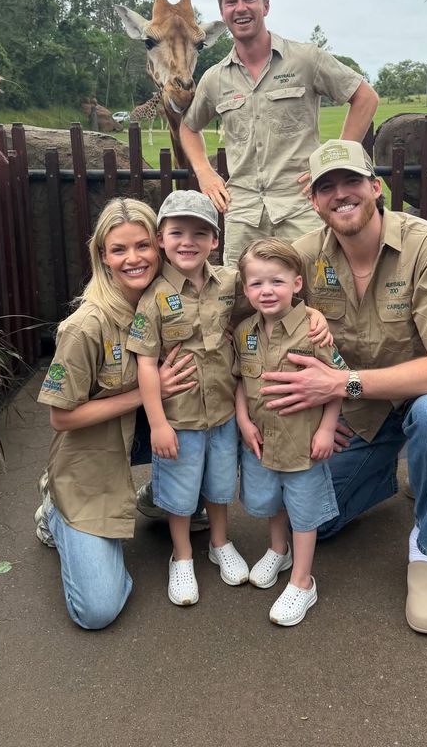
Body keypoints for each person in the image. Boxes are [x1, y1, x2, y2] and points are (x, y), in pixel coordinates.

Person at [259, 139, 427, 635]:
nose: (341, 195)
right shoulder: (304, 258)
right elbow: (241, 292)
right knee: (317, 523)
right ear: (313, 201)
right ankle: (409, 467)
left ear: (376, 187)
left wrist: (342, 384)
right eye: (326, 187)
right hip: (363, 412)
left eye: (352, 181)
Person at [125, 189, 331, 607]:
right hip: (179, 414)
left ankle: (220, 543)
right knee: (181, 491)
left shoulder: (228, 282)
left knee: (220, 484)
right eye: (177, 232)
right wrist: (158, 423)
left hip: (222, 411)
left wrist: (313, 312)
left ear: (215, 241)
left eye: (200, 233)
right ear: (161, 238)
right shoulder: (152, 298)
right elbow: (146, 363)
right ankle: (181, 555)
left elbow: (270, 293)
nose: (188, 242)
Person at [35, 197, 199, 630]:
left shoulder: (172, 302)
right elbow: (60, 418)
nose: (133, 259)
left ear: (159, 246)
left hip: (148, 434)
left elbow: (247, 296)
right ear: (103, 256)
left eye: (143, 246)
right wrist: (149, 394)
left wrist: (309, 316)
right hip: (92, 458)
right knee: (98, 611)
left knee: (205, 422)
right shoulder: (84, 327)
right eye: (119, 249)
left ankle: (162, 497)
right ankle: (56, 508)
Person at [179, 0, 379, 265]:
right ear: (222, 12)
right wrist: (204, 172)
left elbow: (365, 97)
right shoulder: (216, 79)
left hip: (301, 209)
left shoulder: (305, 59)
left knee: (315, 293)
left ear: (266, 5)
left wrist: (333, 158)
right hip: (243, 213)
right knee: (241, 297)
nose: (240, 8)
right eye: (231, 2)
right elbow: (188, 127)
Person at [234, 238, 342, 626]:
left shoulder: (313, 331)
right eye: (257, 283)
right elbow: (238, 382)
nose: (266, 291)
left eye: (277, 281)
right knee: (270, 501)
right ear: (245, 289)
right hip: (262, 443)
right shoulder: (244, 330)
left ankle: (302, 581)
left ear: (297, 283)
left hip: (303, 445)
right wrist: (244, 421)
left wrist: (328, 429)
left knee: (304, 511)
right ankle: (278, 551)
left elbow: (339, 383)